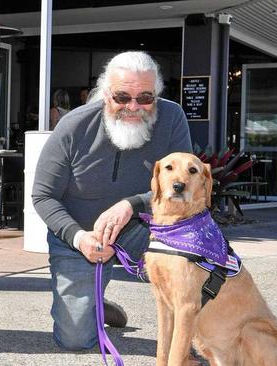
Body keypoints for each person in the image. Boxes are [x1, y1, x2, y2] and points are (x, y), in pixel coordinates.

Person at [32, 51, 192, 350]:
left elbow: (183, 187)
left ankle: (196, 325)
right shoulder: (73, 125)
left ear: (156, 95)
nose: (133, 107)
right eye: (122, 97)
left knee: (198, 255)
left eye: (145, 97)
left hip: (143, 228)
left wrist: (131, 204)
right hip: (80, 235)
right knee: (75, 339)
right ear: (106, 95)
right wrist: (79, 238)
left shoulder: (172, 118)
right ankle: (96, 305)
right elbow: (43, 195)